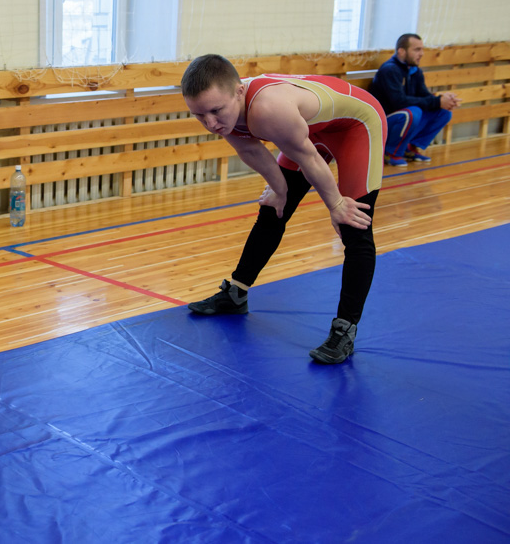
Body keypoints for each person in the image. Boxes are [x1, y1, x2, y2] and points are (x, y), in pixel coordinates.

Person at [181, 54, 387, 364]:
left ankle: (345, 329)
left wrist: (335, 204)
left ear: (238, 91)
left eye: (215, 111)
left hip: (355, 126)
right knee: (272, 209)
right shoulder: (227, 113)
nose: (211, 124)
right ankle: (236, 292)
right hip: (307, 131)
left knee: (353, 225)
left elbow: (309, 158)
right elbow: (252, 151)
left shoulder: (267, 108)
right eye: (200, 116)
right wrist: (279, 190)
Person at [369, 33, 460, 167]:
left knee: (444, 112)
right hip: (384, 120)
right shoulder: (390, 70)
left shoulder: (415, 71)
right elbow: (398, 102)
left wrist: (443, 99)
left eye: (422, 49)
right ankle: (390, 152)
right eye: (417, 50)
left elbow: (424, 96)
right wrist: (436, 101)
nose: (422, 53)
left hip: (405, 118)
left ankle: (409, 147)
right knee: (412, 113)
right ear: (401, 51)